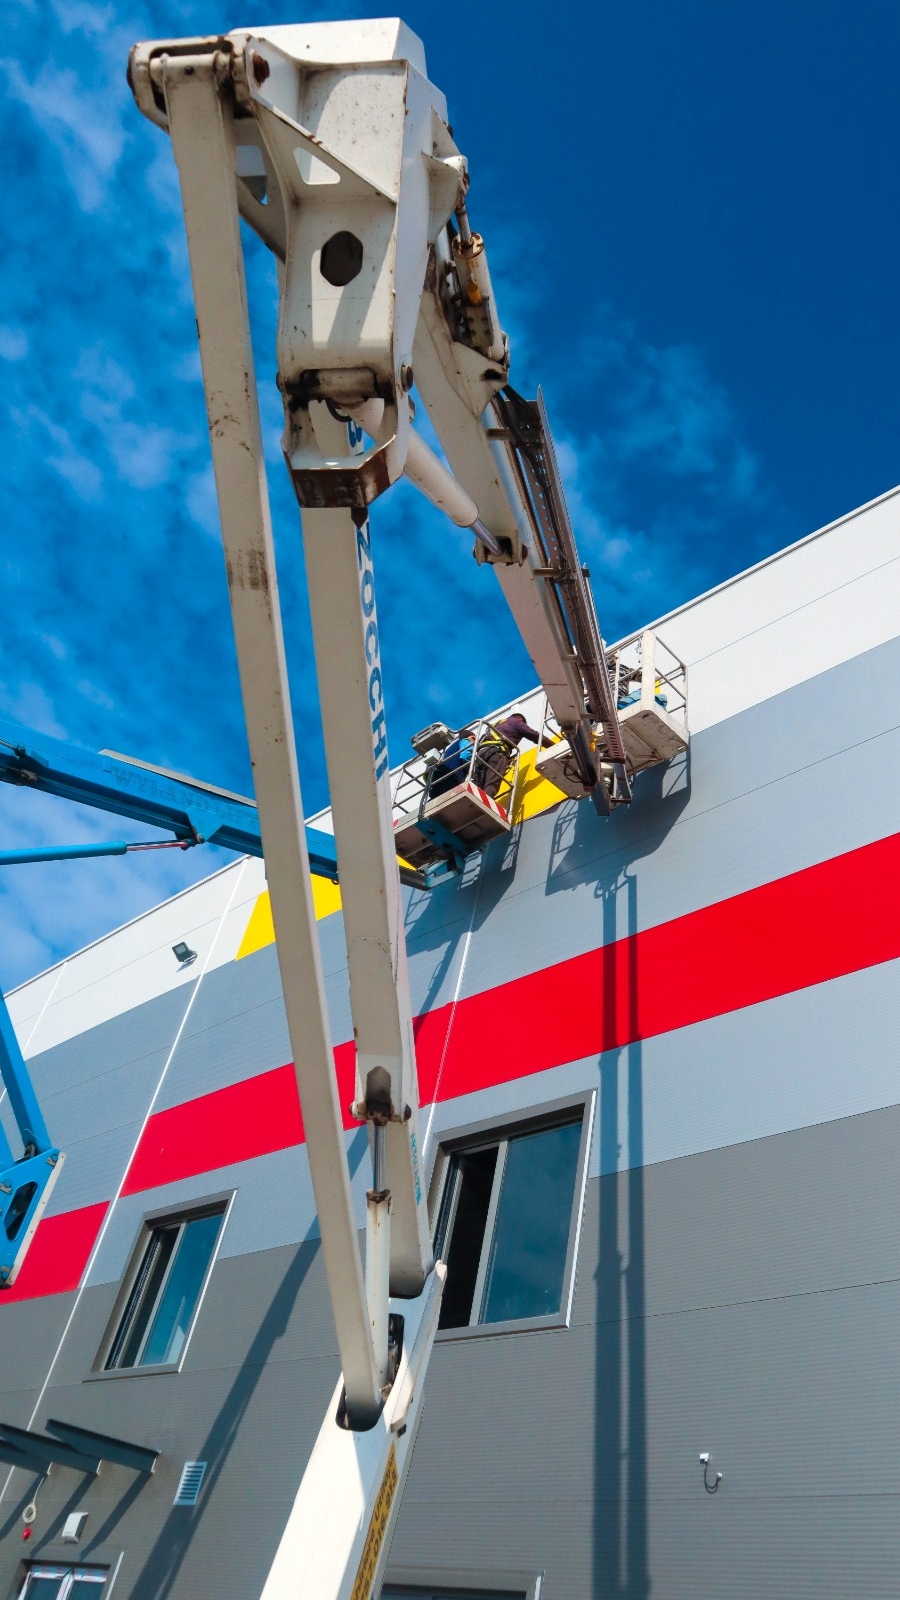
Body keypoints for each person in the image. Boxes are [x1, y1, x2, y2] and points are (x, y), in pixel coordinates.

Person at [472, 711, 548, 799]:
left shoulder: (497, 724)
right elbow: (534, 735)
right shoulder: (516, 722)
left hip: (482, 752)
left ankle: (474, 801)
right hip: (497, 752)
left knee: (479, 782)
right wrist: (554, 744)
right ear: (520, 718)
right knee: (492, 782)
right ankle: (483, 804)